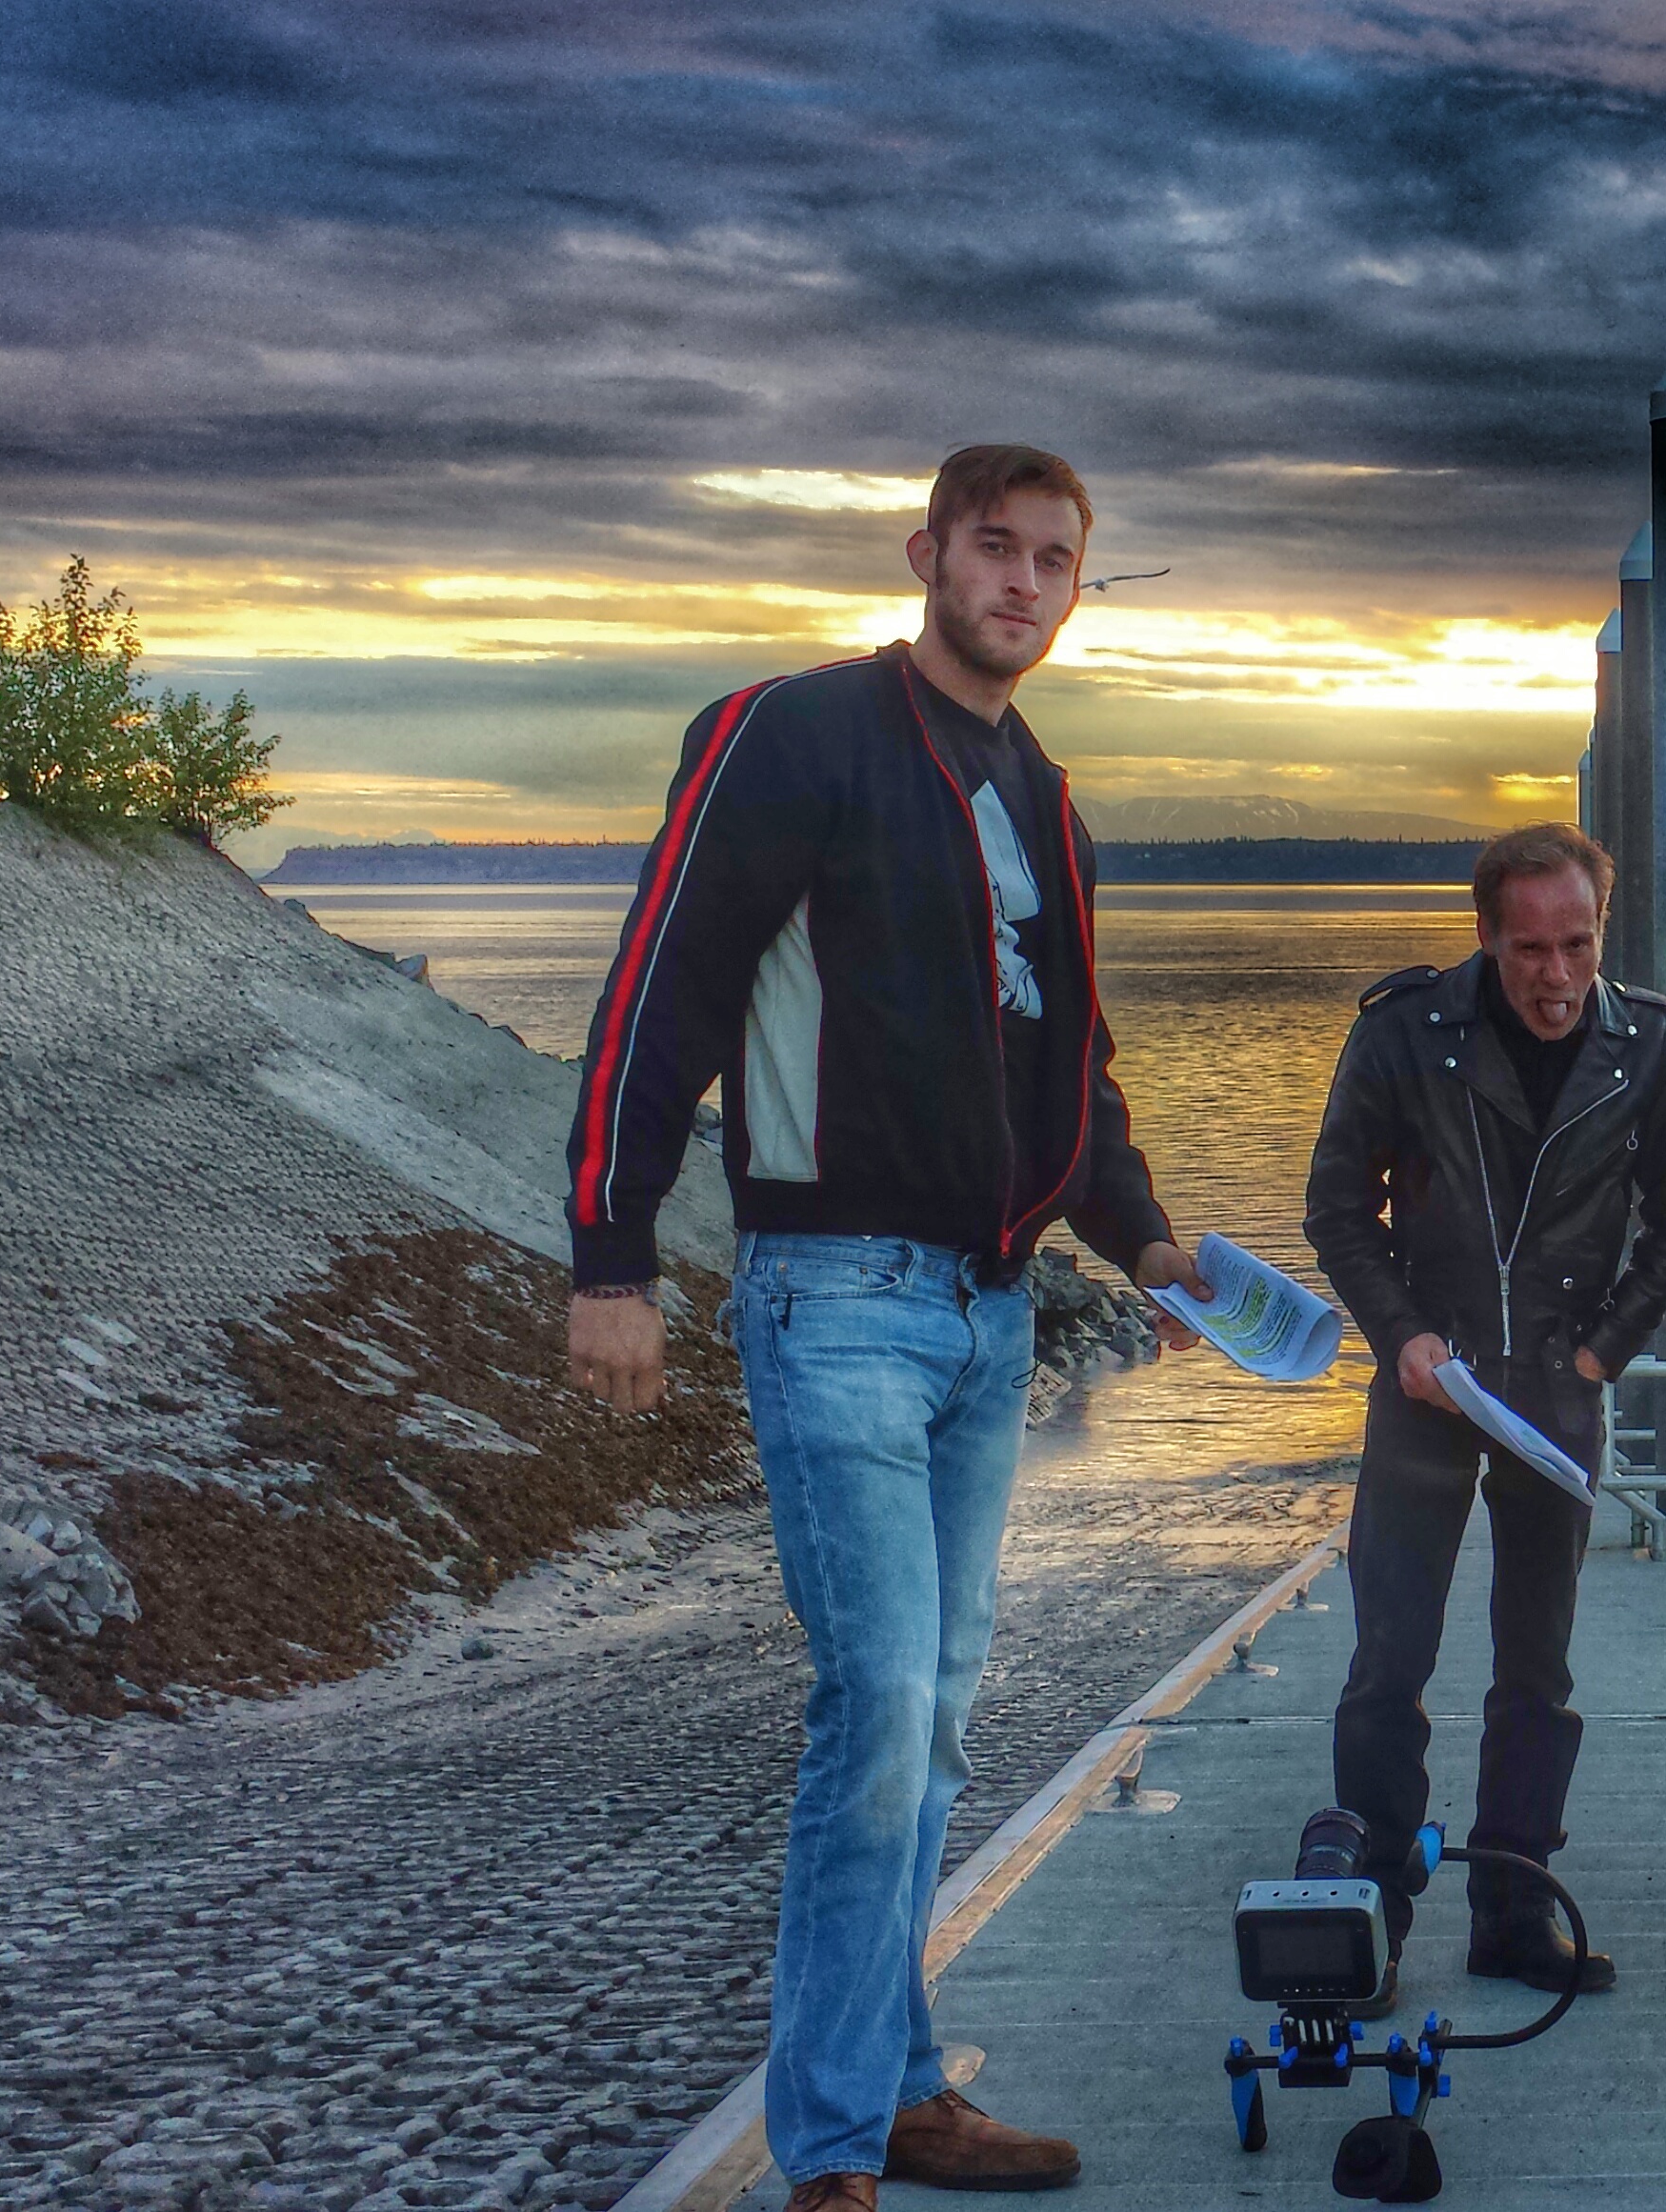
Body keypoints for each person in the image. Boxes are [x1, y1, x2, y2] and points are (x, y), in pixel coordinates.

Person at [561, 444, 1208, 2212]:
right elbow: (666, 982)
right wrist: (607, 1256)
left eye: (1054, 559)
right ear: (926, 552)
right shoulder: (796, 733)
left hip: (994, 1317)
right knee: (881, 1712)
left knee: (937, 1713)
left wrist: (1150, 1244)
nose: (1021, 580)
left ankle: (900, 2086)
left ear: (1081, 587)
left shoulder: (1045, 799)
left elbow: (1066, 1062)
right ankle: (833, 2147)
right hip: (833, 1289)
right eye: (992, 548)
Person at [1302, 821, 1666, 2000]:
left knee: (1536, 1666)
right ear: (1487, 935)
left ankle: (1513, 1904)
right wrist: (1403, 1336)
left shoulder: (1650, 1047)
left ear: (1602, 931)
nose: (1554, 974)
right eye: (1529, 948)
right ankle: (1377, 1908)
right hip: (1427, 1388)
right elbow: (1336, 1210)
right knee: (1391, 1656)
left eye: (1577, 944)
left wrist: (1601, 1353)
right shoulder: (1402, 1031)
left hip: (1555, 1391)